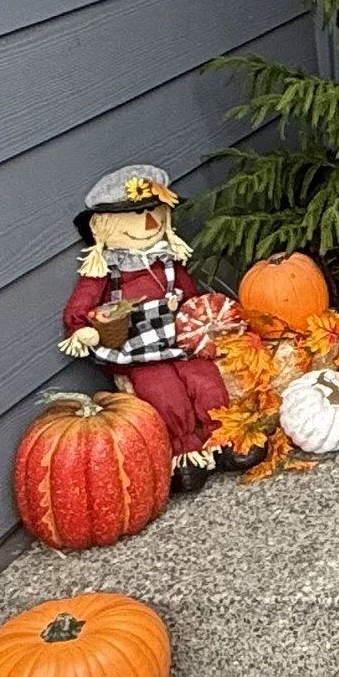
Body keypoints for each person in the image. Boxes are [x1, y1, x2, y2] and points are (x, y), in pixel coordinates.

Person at [58, 165, 244, 491]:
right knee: (164, 394)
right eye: (136, 214)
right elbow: (81, 306)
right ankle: (186, 455)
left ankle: (224, 438)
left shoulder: (167, 261)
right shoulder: (105, 271)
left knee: (206, 381)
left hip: (177, 340)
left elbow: (191, 295)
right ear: (101, 226)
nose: (149, 223)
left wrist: (201, 317)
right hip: (138, 351)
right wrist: (82, 329)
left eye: (154, 212)